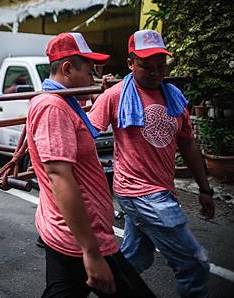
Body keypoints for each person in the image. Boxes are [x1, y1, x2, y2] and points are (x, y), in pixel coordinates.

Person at [89, 29, 214, 298]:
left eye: (160, 65)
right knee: (195, 266)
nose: (155, 72)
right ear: (130, 63)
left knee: (136, 257)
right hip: (140, 194)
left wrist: (205, 188)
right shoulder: (115, 95)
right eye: (146, 66)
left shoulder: (174, 98)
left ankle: (98, 284)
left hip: (162, 189)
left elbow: (188, 144)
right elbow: (84, 133)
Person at [28, 32, 154, 298]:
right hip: (82, 237)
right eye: (89, 72)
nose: (93, 80)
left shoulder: (65, 103)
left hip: (70, 232)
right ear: (67, 69)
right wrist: (91, 252)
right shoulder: (54, 107)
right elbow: (59, 176)